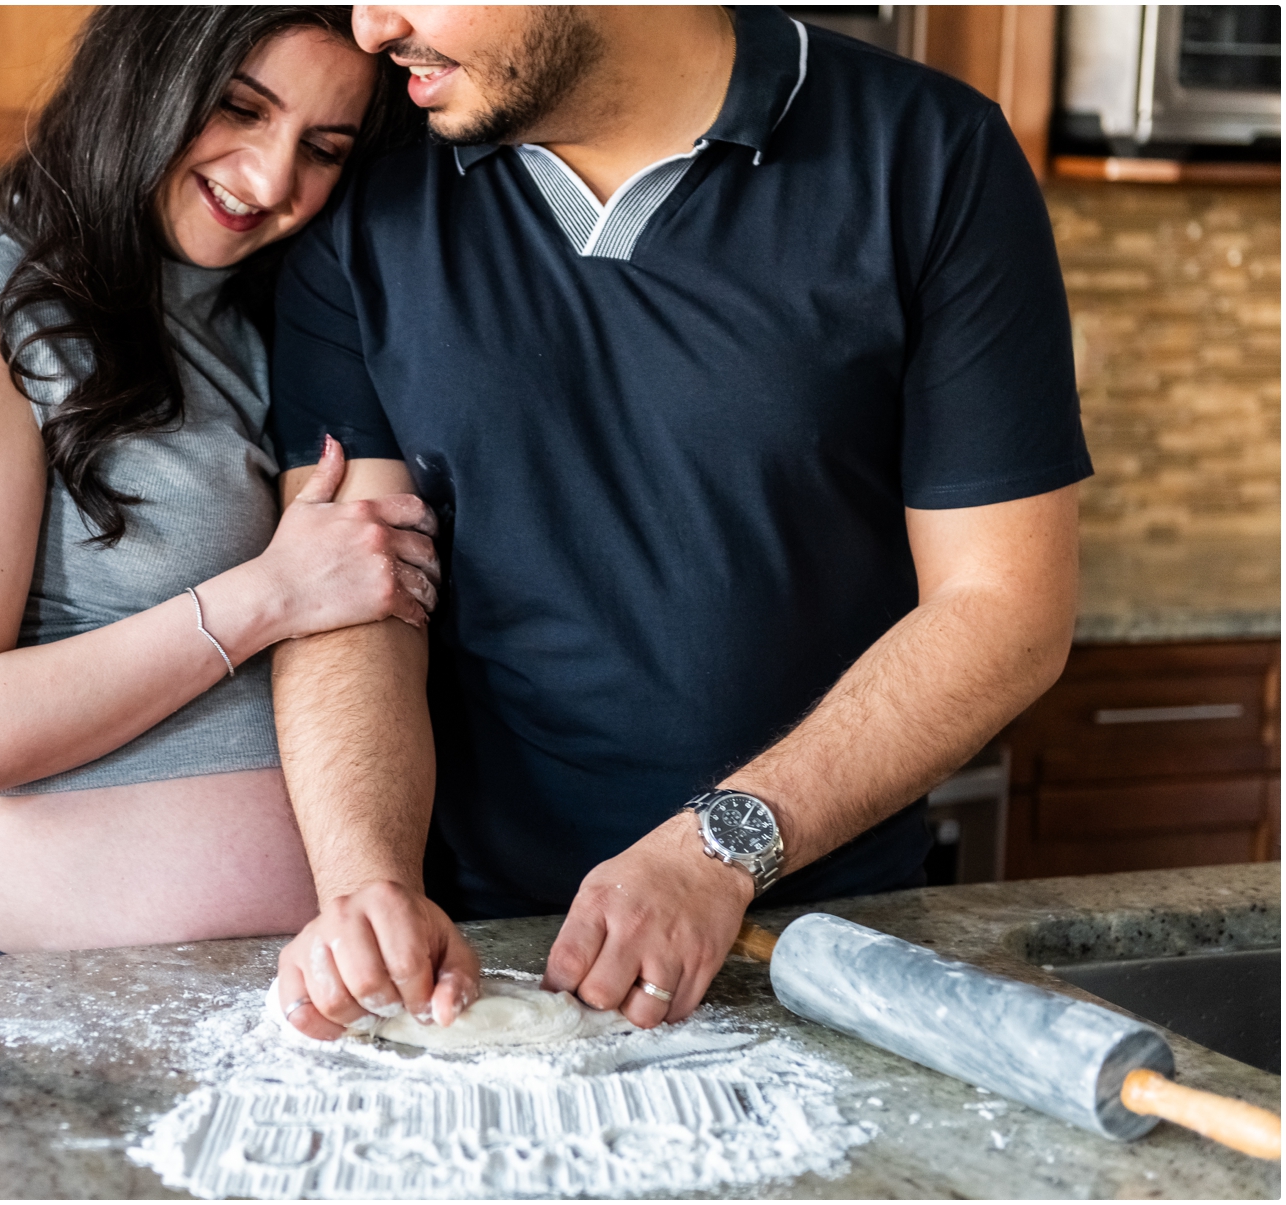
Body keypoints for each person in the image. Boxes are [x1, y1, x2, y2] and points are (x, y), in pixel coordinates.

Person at [265, 5, 1091, 1040]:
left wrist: (717, 850)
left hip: (819, 952)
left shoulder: (930, 154)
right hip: (479, 959)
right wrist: (365, 884)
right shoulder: (366, 181)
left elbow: (1006, 608)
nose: (373, 26)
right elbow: (349, 585)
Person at [0, 7, 429, 1196]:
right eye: (242, 107)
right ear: (152, 72)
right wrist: (269, 594)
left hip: (239, 1011)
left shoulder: (266, 318)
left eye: (327, 146)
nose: (273, 175)